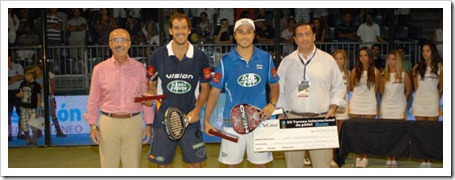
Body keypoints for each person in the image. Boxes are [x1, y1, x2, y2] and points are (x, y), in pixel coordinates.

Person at [204, 18, 279, 168]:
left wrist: (273, 103)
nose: (245, 36)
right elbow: (214, 92)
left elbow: (274, 84)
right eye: (240, 32)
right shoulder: (226, 61)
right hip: (232, 123)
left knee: (261, 166)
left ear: (254, 35)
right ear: (235, 35)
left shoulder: (266, 58)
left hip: (259, 121)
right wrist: (206, 121)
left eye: (248, 32)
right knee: (232, 167)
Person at [275, 23, 345, 168]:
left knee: (322, 166)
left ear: (314, 36)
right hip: (293, 119)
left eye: (307, 34)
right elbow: (278, 90)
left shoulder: (328, 60)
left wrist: (332, 109)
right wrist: (280, 111)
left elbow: (339, 86)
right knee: (293, 166)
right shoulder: (286, 62)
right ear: (294, 39)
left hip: (321, 118)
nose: (304, 38)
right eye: (300, 35)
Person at [147, 13, 211, 168]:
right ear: (170, 30)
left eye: (184, 28)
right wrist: (150, 94)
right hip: (163, 119)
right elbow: (152, 84)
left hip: (190, 120)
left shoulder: (200, 56)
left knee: (195, 165)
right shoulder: (157, 56)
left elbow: (205, 87)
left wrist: (197, 110)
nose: (180, 31)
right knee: (163, 166)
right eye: (176, 28)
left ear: (189, 30)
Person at [84, 28, 153, 168]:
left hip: (133, 123)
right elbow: (93, 99)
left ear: (129, 44)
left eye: (123, 40)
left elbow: (146, 98)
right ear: (110, 44)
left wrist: (149, 125)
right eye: (115, 40)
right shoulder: (100, 69)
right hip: (108, 123)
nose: (119, 44)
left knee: (133, 167)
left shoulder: (140, 68)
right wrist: (92, 126)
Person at [412, 41, 443, 168]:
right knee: (421, 133)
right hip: (419, 102)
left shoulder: (440, 67)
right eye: (423, 51)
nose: (425, 53)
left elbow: (442, 88)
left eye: (428, 50)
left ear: (433, 52)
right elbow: (416, 87)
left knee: (431, 133)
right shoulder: (416, 68)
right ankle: (422, 160)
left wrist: (435, 99)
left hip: (432, 103)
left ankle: (429, 160)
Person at [379, 50, 413, 168]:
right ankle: (389, 158)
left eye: (394, 59)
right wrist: (389, 100)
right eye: (389, 59)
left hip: (399, 106)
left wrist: (402, 101)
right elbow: (382, 90)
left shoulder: (404, 74)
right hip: (386, 106)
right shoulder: (384, 74)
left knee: (397, 133)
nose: (391, 61)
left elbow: (409, 90)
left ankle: (395, 158)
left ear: (398, 61)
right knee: (387, 133)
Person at [349, 46, 381, 168]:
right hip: (356, 102)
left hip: (370, 103)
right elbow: (352, 88)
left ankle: (365, 157)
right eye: (361, 55)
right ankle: (357, 157)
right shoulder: (354, 71)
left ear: (370, 57)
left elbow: (376, 89)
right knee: (356, 132)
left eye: (365, 55)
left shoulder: (376, 72)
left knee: (368, 132)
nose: (363, 58)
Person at [34, 65, 67, 137]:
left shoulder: (48, 75)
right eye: (35, 70)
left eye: (37, 69)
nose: (36, 72)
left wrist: (51, 93)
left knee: (53, 113)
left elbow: (53, 86)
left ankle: (58, 130)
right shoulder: (35, 78)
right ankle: (40, 131)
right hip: (39, 97)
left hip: (48, 96)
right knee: (40, 114)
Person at [331, 49, 351, 167]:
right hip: (333, 108)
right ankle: (332, 157)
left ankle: (340, 157)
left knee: (341, 134)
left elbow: (348, 91)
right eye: (336, 58)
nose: (338, 61)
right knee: (332, 133)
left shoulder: (348, 73)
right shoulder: (330, 73)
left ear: (345, 60)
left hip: (343, 108)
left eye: (341, 59)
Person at [16, 67, 42, 146]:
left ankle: (34, 140)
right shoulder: (23, 83)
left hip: (33, 108)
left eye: (28, 74)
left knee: (34, 125)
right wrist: (19, 95)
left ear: (32, 75)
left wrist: (38, 110)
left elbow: (39, 98)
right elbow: (18, 94)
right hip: (23, 107)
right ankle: (27, 138)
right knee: (24, 125)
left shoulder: (37, 85)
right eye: (25, 75)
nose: (26, 76)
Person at [8, 53, 25, 141]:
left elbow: (22, 76)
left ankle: (20, 133)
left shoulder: (18, 66)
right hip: (7, 92)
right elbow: (19, 77)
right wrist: (16, 78)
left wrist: (10, 79)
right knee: (7, 115)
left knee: (21, 113)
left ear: (9, 57)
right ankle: (8, 134)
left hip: (18, 91)